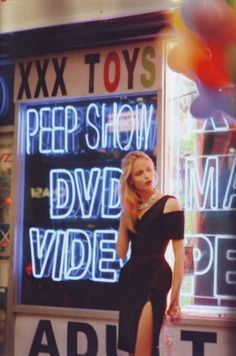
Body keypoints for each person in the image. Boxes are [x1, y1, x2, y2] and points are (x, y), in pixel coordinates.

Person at [116, 151, 185, 356]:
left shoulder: (169, 204)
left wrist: (176, 297)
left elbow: (180, 255)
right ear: (130, 180)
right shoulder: (132, 211)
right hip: (131, 280)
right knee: (132, 351)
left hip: (155, 278)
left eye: (149, 170)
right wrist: (125, 213)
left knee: (142, 351)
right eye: (139, 173)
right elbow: (121, 253)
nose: (147, 175)